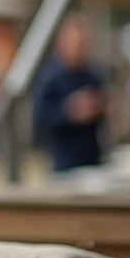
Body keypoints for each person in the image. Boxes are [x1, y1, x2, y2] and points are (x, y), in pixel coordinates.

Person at [33, 16, 107, 173]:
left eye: (82, 45)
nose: (79, 51)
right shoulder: (50, 77)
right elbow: (39, 118)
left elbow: (102, 117)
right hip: (64, 161)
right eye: (75, 46)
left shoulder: (92, 76)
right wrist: (69, 111)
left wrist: (100, 106)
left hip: (92, 158)